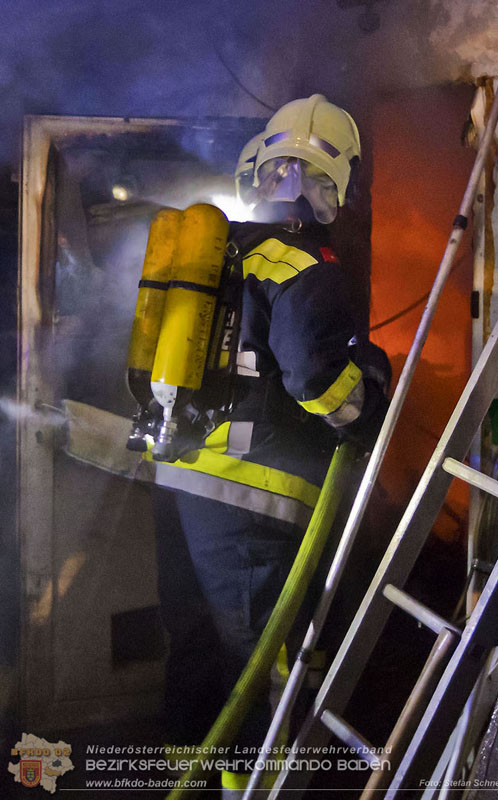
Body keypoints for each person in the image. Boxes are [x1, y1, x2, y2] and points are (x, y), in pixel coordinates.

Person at [152, 94, 390, 798]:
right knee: (264, 663)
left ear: (255, 168)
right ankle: (253, 790)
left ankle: (185, 771)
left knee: (197, 639)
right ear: (333, 184)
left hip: (184, 481)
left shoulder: (218, 249)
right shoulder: (307, 265)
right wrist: (370, 397)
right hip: (255, 502)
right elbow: (320, 385)